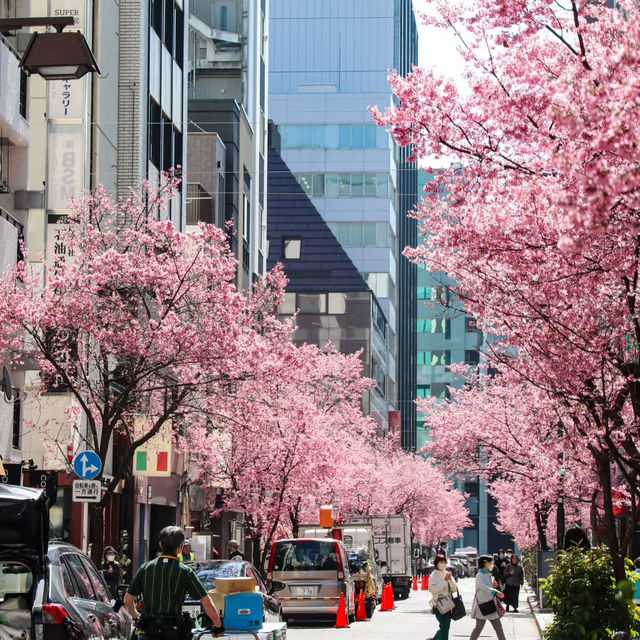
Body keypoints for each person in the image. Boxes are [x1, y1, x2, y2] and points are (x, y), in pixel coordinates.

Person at [124, 526, 224, 639]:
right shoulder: (185, 572)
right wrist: (218, 625)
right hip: (173, 632)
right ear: (180, 548)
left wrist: (136, 616)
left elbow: (128, 599)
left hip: (148, 631)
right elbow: (206, 601)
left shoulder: (145, 568)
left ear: (161, 545)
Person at [469, 555, 506, 640]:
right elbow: (483, 587)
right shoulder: (479, 575)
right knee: (478, 628)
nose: (492, 564)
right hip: (482, 606)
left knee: (498, 627)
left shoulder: (489, 575)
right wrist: (495, 592)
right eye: (490, 562)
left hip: (490, 605)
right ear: (485, 563)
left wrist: (494, 587)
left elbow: (487, 588)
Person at [427, 553, 458, 640]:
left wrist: (449, 580)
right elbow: (432, 589)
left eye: (445, 562)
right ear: (436, 563)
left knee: (446, 627)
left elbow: (454, 589)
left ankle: (436, 638)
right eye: (441, 562)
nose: (443, 564)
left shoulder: (447, 573)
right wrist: (444, 581)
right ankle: (437, 638)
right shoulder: (434, 575)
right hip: (438, 604)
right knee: (445, 626)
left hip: (448, 605)